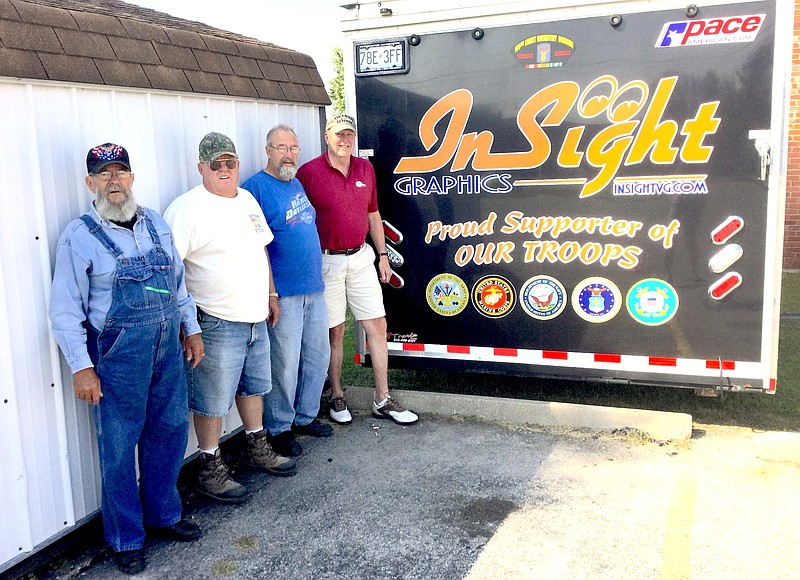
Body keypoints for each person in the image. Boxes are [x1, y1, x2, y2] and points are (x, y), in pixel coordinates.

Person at [50, 143, 204, 575]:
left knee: (170, 430)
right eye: (103, 175)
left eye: (120, 172)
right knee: (119, 446)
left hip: (167, 348)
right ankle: (125, 538)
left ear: (132, 177)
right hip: (118, 354)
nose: (113, 182)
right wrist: (81, 366)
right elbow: (65, 310)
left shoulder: (155, 223)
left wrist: (189, 327)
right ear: (90, 184)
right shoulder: (79, 236)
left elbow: (177, 285)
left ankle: (164, 515)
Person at [163, 132, 296, 506]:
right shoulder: (187, 208)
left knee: (254, 387)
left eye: (230, 163)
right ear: (201, 167)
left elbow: (261, 251)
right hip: (216, 320)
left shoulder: (248, 200)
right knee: (211, 400)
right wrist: (188, 327)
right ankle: (209, 468)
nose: (225, 170)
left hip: (255, 317)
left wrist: (270, 293)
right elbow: (172, 272)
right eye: (216, 164)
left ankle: (256, 446)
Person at [296, 114, 418, 426]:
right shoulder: (308, 172)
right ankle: (337, 395)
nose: (344, 140)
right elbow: (298, 220)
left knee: (377, 326)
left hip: (362, 256)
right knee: (335, 332)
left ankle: (382, 398)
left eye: (349, 135)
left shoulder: (365, 168)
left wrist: (382, 255)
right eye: (339, 135)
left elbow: (373, 213)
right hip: (327, 261)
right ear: (327, 137)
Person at [241, 125, 333, 457]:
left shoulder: (295, 183)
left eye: (293, 148)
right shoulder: (254, 189)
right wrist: (269, 293)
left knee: (317, 355)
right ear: (268, 151)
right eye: (282, 148)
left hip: (313, 287)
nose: (289, 154)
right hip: (284, 291)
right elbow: (253, 245)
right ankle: (279, 427)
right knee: (284, 362)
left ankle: (305, 416)